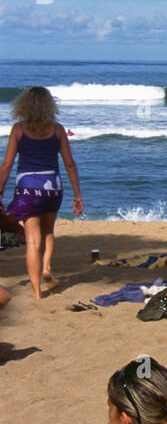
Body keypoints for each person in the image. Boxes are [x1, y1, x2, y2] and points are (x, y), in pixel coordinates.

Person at [0, 86, 83, 297]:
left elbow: (7, 165)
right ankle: (46, 267)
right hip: (52, 187)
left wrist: (0, 191)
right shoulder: (58, 130)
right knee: (48, 231)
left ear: (24, 105)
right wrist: (77, 195)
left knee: (32, 240)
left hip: (28, 189)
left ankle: (37, 292)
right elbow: (69, 164)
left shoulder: (18, 129)